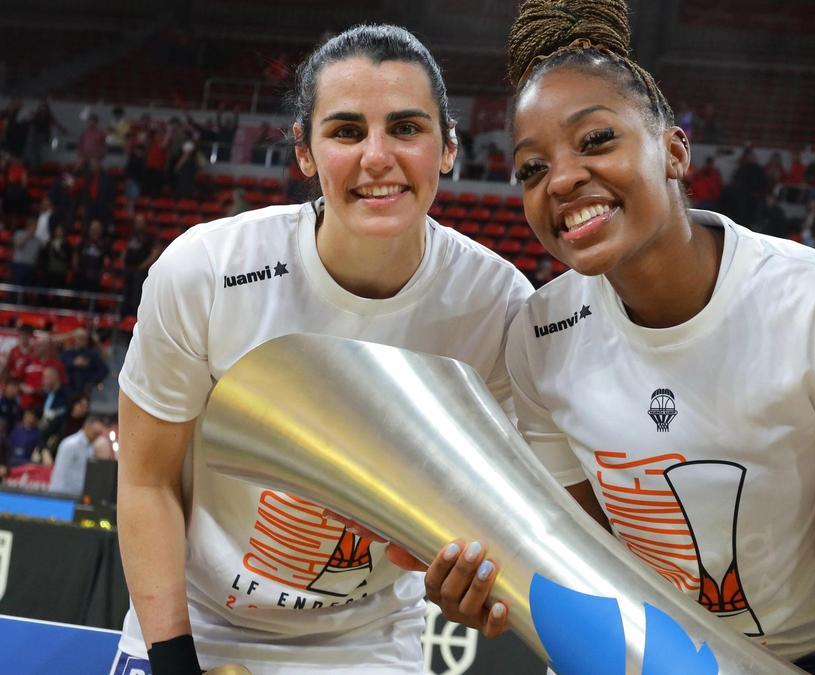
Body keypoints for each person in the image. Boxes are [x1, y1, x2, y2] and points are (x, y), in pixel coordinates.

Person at [420, 3, 815, 673]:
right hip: (649, 655)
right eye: (530, 168)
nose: (561, 180)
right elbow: (591, 570)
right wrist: (499, 583)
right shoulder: (540, 333)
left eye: (597, 140)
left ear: (674, 150)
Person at [113, 23, 532, 675]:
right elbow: (146, 480)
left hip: (365, 639)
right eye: (345, 131)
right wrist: (173, 661)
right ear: (304, 152)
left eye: (406, 128)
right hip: (196, 622)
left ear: (448, 147)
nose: (377, 156)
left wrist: (471, 579)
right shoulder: (206, 269)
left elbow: (497, 521)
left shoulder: (498, 306)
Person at [48, 415, 111, 498]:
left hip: (78, 495)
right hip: (63, 494)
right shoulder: (70, 444)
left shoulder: (91, 447)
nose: (96, 437)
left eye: (98, 435)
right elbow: (60, 472)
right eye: (95, 433)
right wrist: (57, 496)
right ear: (87, 427)